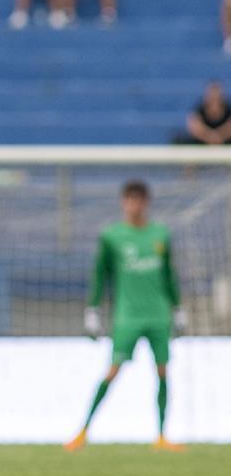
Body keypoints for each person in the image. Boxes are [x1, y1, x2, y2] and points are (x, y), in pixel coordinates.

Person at [66, 180, 187, 453]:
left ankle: (161, 435)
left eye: (140, 200)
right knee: (113, 370)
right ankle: (83, 431)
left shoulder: (160, 234)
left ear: (147, 202)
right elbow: (100, 274)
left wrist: (178, 308)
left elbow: (169, 274)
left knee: (163, 371)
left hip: (158, 314)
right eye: (130, 200)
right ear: (124, 202)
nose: (135, 205)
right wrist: (92, 310)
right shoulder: (112, 236)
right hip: (127, 316)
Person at [183, 81, 231, 146]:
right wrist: (209, 136)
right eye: (212, 93)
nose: (214, 96)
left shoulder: (228, 109)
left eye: (217, 93)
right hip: (201, 143)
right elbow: (193, 125)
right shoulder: (200, 109)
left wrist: (219, 136)